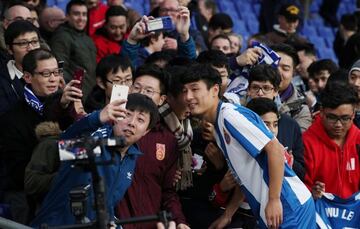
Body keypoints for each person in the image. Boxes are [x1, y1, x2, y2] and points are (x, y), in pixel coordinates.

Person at [180, 63, 315, 229]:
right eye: (185, 91)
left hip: (288, 206)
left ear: (215, 90)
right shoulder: (219, 125)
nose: (188, 96)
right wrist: (228, 215)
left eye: (195, 89)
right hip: (275, 210)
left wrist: (274, 199)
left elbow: (275, 149)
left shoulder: (230, 116)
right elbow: (246, 174)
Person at [31, 93, 159, 227]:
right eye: (127, 114)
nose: (132, 123)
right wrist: (97, 118)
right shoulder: (96, 142)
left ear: (146, 131)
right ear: (115, 117)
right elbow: (63, 148)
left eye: (140, 120)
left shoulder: (131, 157)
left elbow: (107, 202)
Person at [0, 48, 80, 224]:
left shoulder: (68, 109)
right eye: (45, 74)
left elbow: (82, 150)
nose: (53, 79)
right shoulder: (12, 118)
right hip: (28, 204)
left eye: (56, 72)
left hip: (68, 197)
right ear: (28, 77)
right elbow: (19, 174)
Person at [116, 64, 189, 228]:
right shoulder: (108, 128)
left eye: (149, 91)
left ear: (162, 99)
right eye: (137, 87)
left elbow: (168, 192)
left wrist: (179, 221)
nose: (141, 94)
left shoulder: (168, 140)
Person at [245, 64, 306, 180]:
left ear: (276, 91)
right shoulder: (237, 120)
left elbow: (302, 173)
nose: (260, 93)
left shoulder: (290, 125)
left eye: (266, 88)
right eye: (255, 87)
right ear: (248, 90)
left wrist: (288, 160)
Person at [303, 82, 360, 199]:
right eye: (332, 117)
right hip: (320, 213)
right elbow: (301, 189)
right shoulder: (307, 142)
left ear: (353, 114)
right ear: (322, 112)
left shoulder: (358, 139)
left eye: (345, 118)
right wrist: (311, 194)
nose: (338, 125)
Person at [50, 0, 97, 100]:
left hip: (89, 96)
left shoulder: (87, 38)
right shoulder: (62, 37)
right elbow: (60, 68)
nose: (81, 18)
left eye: (84, 14)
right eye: (76, 14)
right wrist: (72, 93)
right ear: (67, 16)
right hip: (75, 97)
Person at [0, 20, 41, 115]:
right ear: (10, 49)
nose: (31, 48)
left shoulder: (52, 73)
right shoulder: (3, 78)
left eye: (34, 41)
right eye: (23, 43)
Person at [271, 43, 312, 132]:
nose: (277, 73)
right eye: (274, 66)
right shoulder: (248, 90)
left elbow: (295, 141)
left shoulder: (301, 108)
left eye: (285, 69)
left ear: (293, 73)